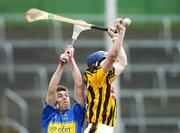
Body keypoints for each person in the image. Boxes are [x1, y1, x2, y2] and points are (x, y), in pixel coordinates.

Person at [83, 18, 128, 133]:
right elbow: (113, 57)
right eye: (104, 60)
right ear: (96, 64)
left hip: (103, 128)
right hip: (98, 127)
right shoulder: (96, 76)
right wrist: (121, 33)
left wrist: (115, 38)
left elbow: (122, 63)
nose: (109, 63)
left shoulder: (104, 79)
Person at [42, 45, 86, 133]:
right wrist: (61, 65)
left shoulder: (76, 113)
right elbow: (52, 89)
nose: (65, 97)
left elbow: (79, 85)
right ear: (55, 101)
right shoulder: (49, 115)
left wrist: (71, 60)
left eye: (66, 95)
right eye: (60, 96)